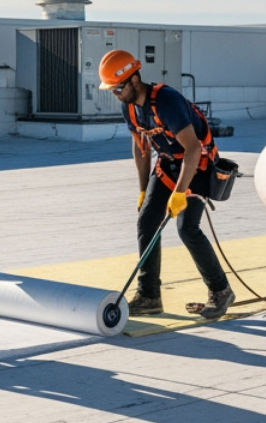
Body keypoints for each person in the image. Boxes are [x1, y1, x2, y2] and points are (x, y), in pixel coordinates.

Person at [98, 49, 235, 318]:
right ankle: (149, 296)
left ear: (134, 79)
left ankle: (221, 290)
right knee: (147, 221)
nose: (115, 94)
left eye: (117, 88)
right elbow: (141, 149)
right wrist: (141, 190)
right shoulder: (129, 107)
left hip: (198, 165)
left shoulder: (166, 101)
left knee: (188, 229)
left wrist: (180, 193)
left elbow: (194, 149)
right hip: (169, 164)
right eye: (112, 90)